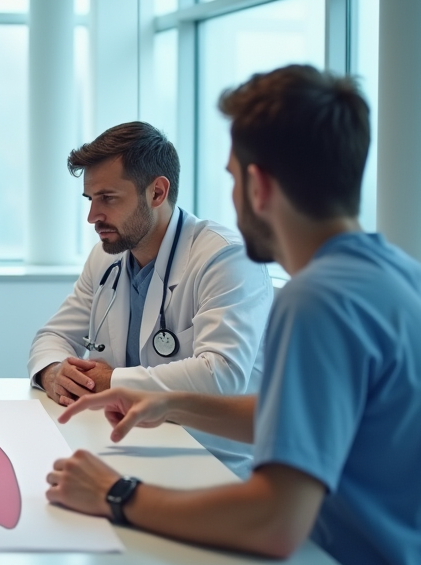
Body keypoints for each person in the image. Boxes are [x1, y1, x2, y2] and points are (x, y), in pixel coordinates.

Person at [48, 65, 421, 565]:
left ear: (258, 185)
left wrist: (115, 493)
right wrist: (174, 402)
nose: (232, 197)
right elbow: (316, 417)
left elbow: (275, 522)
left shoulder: (318, 299)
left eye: (233, 178)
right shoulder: (407, 279)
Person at [29, 122, 272, 477]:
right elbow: (53, 336)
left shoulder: (225, 258)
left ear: (157, 192)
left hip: (210, 459)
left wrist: (110, 382)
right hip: (125, 446)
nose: (92, 217)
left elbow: (222, 375)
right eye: (90, 199)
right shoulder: (107, 257)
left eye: (108, 198)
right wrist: (54, 372)